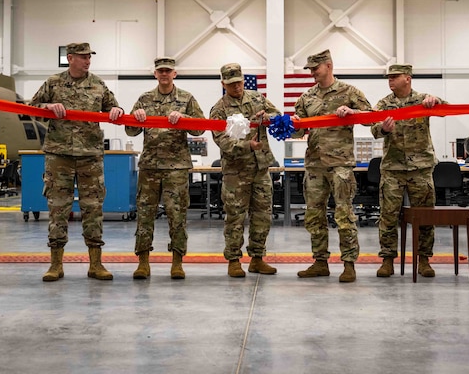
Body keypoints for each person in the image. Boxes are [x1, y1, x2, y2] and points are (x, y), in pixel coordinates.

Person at [30, 42, 125, 282]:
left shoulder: (98, 84)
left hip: (89, 156)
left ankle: (96, 263)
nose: (87, 61)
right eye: (83, 57)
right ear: (70, 58)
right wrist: (47, 106)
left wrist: (116, 110)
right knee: (57, 209)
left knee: (93, 209)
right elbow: (31, 109)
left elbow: (115, 107)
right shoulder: (53, 83)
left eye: (89, 57)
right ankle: (55, 264)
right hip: (59, 156)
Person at [291, 49, 372, 283]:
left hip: (340, 165)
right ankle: (320, 262)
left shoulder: (349, 92)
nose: (312, 73)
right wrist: (295, 124)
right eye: (310, 69)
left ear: (328, 65)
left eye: (315, 68)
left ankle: (349, 264)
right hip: (315, 165)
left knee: (344, 214)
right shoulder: (306, 97)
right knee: (314, 215)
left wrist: (352, 112)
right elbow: (298, 131)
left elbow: (372, 117)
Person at [126, 57, 205, 280]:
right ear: (155, 74)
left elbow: (200, 129)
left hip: (176, 167)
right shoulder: (145, 99)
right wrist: (136, 119)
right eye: (160, 71)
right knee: (144, 214)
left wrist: (184, 118)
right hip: (150, 166)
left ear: (174, 74)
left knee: (177, 214)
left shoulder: (186, 99)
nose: (164, 74)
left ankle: (177, 262)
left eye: (168, 71)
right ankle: (143, 262)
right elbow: (130, 132)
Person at [370, 64, 444, 278]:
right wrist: (383, 129)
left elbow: (446, 109)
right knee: (388, 216)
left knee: (424, 216)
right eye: (389, 77)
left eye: (395, 77)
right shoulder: (384, 104)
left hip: (420, 168)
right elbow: (373, 128)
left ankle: (424, 260)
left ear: (407, 78)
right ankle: (387, 260)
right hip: (393, 169)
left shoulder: (424, 100)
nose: (390, 80)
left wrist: (436, 101)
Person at [210, 63, 281, 278]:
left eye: (239, 82)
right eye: (232, 84)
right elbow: (221, 140)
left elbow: (277, 115)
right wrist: (246, 146)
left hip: (260, 168)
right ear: (224, 84)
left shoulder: (257, 99)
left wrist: (268, 116)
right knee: (235, 217)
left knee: (262, 215)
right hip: (236, 172)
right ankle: (233, 260)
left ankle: (257, 259)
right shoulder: (219, 109)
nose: (237, 87)